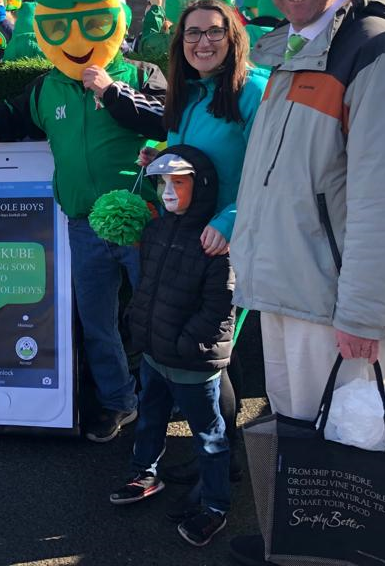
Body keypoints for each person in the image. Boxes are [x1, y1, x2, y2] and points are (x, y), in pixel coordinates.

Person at [226, 0, 385, 566]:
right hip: (288, 289)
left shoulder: (379, 52)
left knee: (349, 447)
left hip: (336, 300)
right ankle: (296, 547)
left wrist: (365, 314)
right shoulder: (297, 50)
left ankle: (340, 555)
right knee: (300, 435)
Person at [0, 0, 167, 443]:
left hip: (145, 224)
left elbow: (168, 117)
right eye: (61, 29)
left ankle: (160, 404)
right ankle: (118, 402)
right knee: (97, 323)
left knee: (155, 321)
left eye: (92, 24)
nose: (77, 40)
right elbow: (9, 110)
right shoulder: (46, 87)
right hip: (83, 225)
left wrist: (111, 92)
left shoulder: (143, 73)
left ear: (114, 18)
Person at [112, 0, 266, 488]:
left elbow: (273, 172)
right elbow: (191, 152)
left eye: (214, 32)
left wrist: (232, 218)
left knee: (214, 358)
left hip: (229, 240)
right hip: (190, 239)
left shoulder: (253, 91)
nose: (203, 42)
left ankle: (221, 470)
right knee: (215, 356)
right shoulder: (191, 93)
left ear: (233, 36)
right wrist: (158, 153)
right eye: (193, 33)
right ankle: (215, 456)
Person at [109, 146, 234, 548]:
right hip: (153, 354)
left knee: (209, 437)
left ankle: (216, 506)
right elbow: (147, 286)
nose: (167, 191)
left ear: (201, 187)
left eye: (178, 183)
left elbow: (219, 305)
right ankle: (144, 471)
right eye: (163, 182)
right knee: (149, 418)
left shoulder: (214, 240)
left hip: (191, 362)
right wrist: (139, 327)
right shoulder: (157, 229)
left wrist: (186, 344)